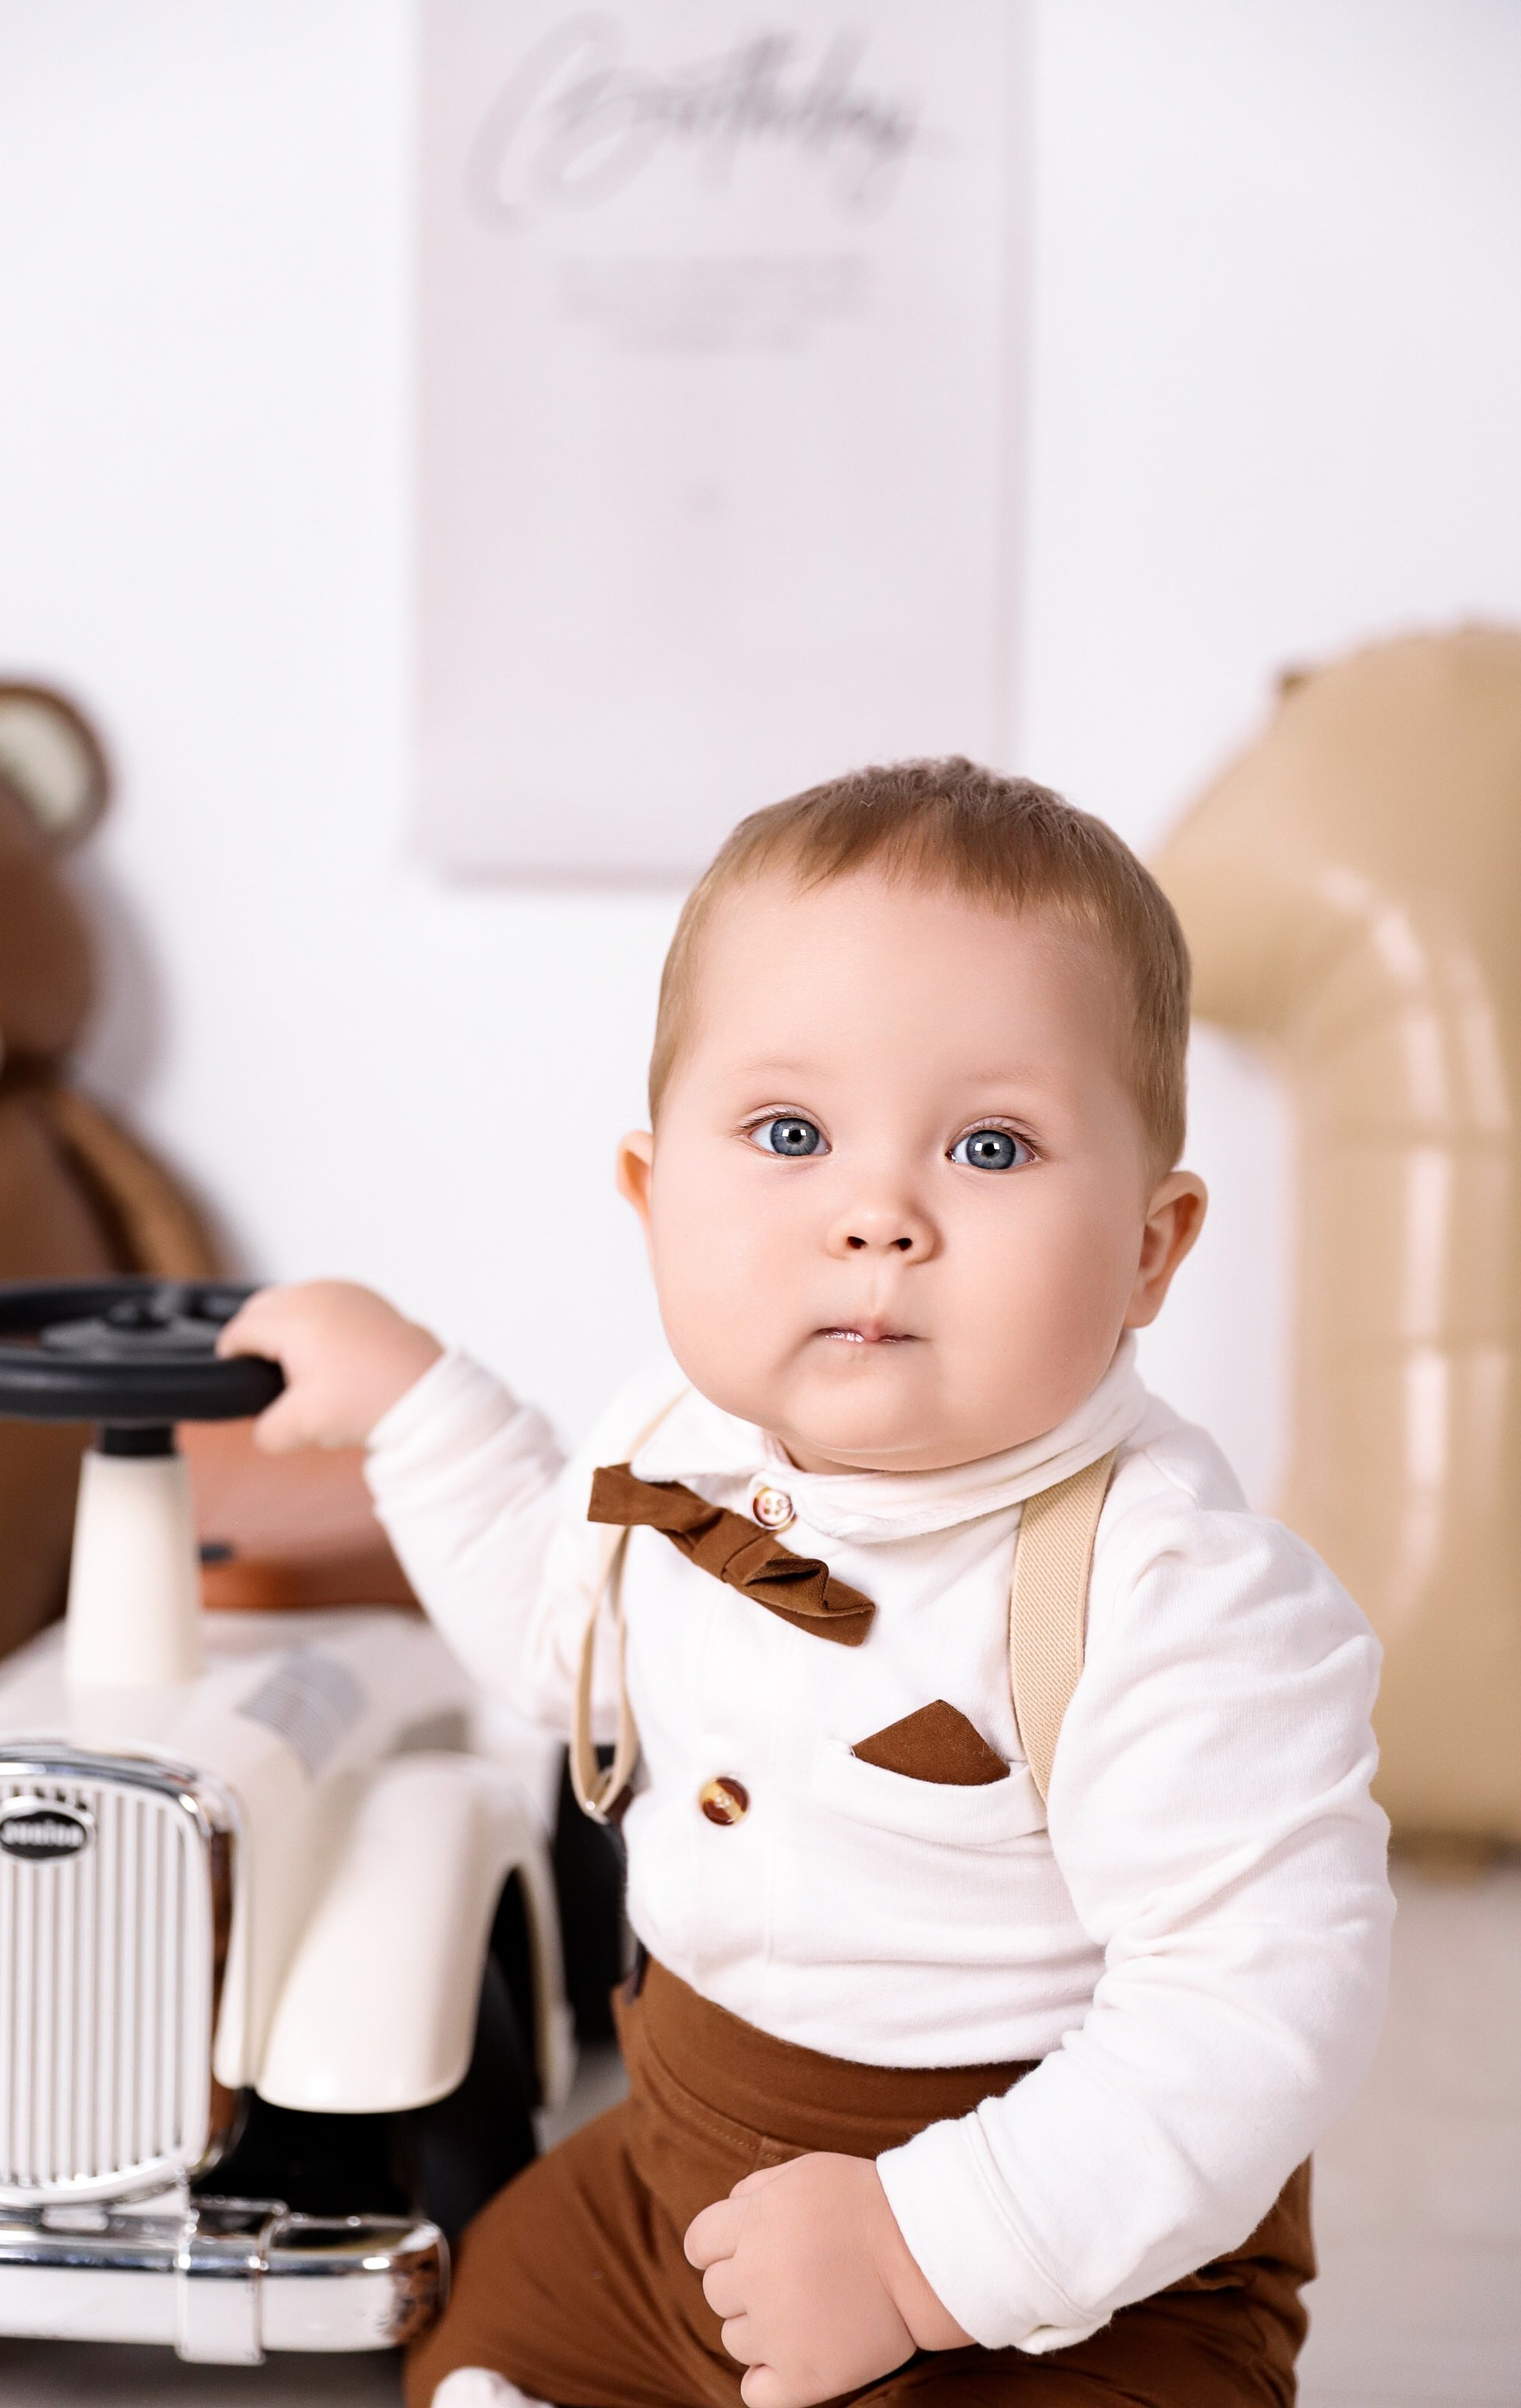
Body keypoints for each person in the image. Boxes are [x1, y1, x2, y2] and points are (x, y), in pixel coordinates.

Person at [221, 760, 1392, 2408]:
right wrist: (419, 1410)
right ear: (652, 1197)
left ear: (1148, 1245)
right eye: (788, 1133)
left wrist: (922, 2252)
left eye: (989, 1145)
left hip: (1064, 2254)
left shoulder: (1173, 1591)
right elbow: (570, 1646)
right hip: (679, 2178)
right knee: (477, 2331)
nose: (875, 1216)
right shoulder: (683, 1443)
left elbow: (1254, 2013)